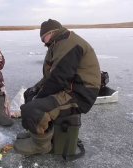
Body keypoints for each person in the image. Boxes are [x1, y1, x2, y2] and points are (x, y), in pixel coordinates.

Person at [13, 19, 101, 155]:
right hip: (67, 88)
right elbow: (51, 76)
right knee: (29, 94)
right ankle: (36, 133)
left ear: (52, 32)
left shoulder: (68, 43)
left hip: (79, 94)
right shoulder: (58, 42)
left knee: (34, 108)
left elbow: (59, 78)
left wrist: (39, 97)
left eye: (44, 38)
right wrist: (36, 89)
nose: (43, 42)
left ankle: (40, 145)